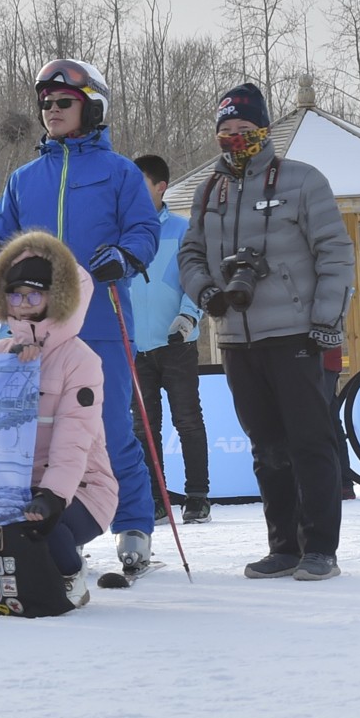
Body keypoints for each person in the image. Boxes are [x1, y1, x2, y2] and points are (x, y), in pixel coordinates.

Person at [0, 59, 163, 582]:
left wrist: (125, 256)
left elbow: (144, 230)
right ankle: (35, 520)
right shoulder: (24, 178)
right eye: (46, 103)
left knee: (109, 424)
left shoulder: (119, 172)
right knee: (34, 430)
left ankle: (134, 526)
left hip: (100, 317)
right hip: (33, 331)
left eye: (64, 103)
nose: (51, 111)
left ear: (92, 107)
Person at [177, 83, 355, 580]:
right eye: (226, 131)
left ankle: (320, 547)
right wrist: (206, 294)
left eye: (245, 129)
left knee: (309, 441)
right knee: (266, 446)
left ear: (264, 130)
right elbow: (189, 254)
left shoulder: (302, 181)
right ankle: (283, 547)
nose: (235, 138)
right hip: (236, 338)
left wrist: (325, 321)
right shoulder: (209, 189)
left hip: (296, 334)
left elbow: (336, 255)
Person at [0, 233, 119, 615]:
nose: (23, 305)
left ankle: (70, 573)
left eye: (34, 295)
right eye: (15, 295)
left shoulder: (81, 360)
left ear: (56, 298)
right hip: (13, 488)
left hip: (79, 488)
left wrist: (52, 496)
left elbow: (73, 439)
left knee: (44, 532)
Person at [125, 154, 208, 522]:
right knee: (144, 425)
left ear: (160, 188)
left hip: (175, 342)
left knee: (187, 420)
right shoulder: (121, 233)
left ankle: (196, 496)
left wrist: (188, 316)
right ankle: (156, 498)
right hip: (134, 347)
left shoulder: (182, 228)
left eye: (139, 185)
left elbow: (196, 278)